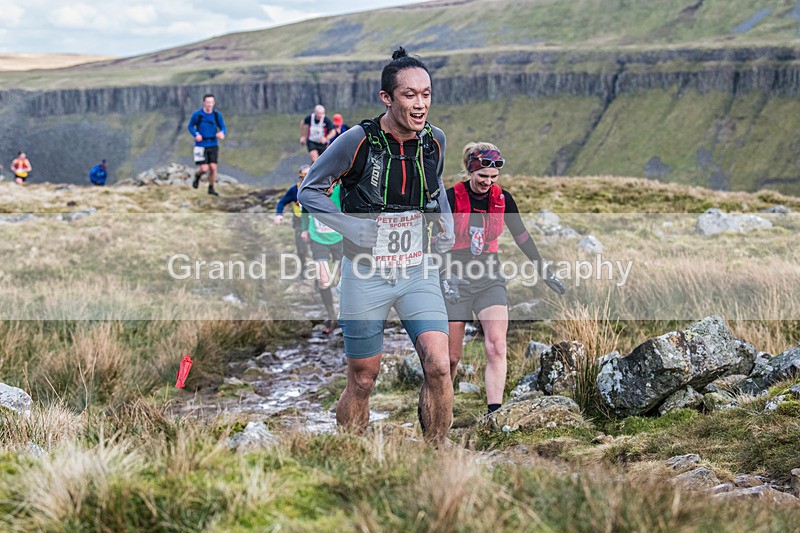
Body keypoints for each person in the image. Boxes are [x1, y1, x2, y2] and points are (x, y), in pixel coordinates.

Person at [298, 47, 455, 444]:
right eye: (409, 95)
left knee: (438, 365)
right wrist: (350, 226)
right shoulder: (356, 141)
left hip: (418, 269)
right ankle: (351, 453)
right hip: (365, 273)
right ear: (387, 97)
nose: (420, 104)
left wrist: (447, 223)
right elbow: (309, 191)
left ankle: (438, 459)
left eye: (426, 94)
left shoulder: (434, 140)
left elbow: (435, 184)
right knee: (364, 377)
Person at [442, 142, 566, 415]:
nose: (487, 182)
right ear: (470, 171)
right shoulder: (450, 198)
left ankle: (494, 414)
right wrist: (443, 275)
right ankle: (441, 413)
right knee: (450, 358)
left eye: (493, 177)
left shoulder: (503, 199)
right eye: (482, 176)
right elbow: (431, 240)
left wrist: (544, 271)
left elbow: (522, 237)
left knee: (497, 346)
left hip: (489, 278)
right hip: (454, 280)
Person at [301, 183, 344, 334]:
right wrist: (304, 229)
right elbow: (304, 207)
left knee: (344, 279)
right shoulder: (311, 191)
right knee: (324, 280)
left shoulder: (340, 191)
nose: (326, 188)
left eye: (329, 183)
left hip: (340, 238)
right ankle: (331, 316)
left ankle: (346, 314)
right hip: (318, 238)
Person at [187, 94, 227, 196]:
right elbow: (190, 126)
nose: (209, 105)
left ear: (214, 103)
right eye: (207, 102)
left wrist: (222, 133)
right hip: (200, 145)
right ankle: (197, 176)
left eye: (211, 102)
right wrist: (196, 134)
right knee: (204, 168)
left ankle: (211, 187)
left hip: (213, 143)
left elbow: (223, 127)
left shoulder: (217, 115)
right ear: (204, 102)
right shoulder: (197, 115)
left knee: (213, 167)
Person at [275, 165, 311, 263]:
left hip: (314, 223)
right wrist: (279, 214)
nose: (306, 177)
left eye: (309, 174)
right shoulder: (294, 190)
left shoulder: (318, 188)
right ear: (300, 176)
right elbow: (281, 202)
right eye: (304, 174)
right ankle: (303, 268)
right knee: (301, 249)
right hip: (299, 222)